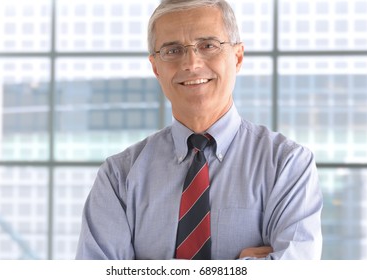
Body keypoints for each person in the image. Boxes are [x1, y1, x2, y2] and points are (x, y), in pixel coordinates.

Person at [76, 0, 323, 260]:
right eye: (172, 50)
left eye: (208, 46)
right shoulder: (119, 178)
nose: (191, 64)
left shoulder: (287, 165)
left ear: (237, 57)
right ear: (155, 68)